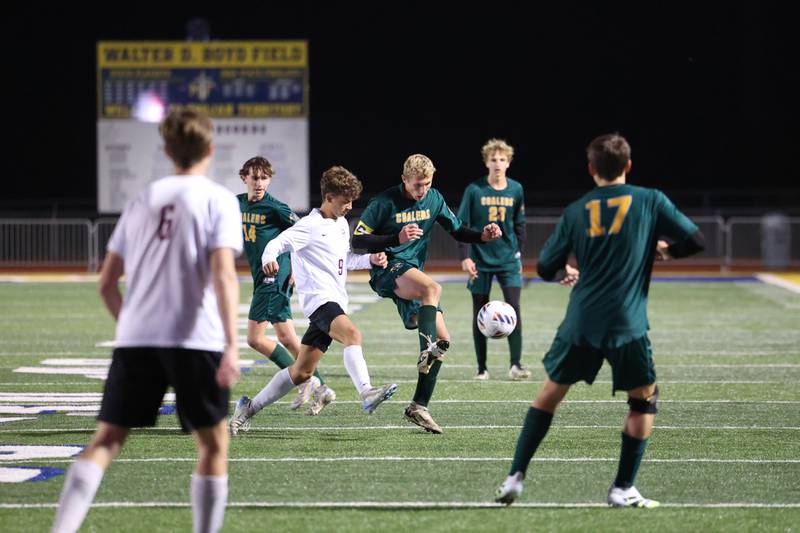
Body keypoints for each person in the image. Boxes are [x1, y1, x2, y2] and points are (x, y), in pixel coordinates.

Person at [52, 109, 243, 533]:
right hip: (197, 339)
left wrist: (131, 326)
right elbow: (224, 274)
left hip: (138, 339)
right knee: (213, 445)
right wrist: (232, 345)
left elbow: (106, 284)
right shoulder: (219, 199)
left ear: (167, 150)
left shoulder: (143, 198)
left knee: (107, 441)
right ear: (210, 149)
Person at [494, 133, 705, 507]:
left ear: (591, 169)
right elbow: (695, 240)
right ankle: (623, 487)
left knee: (549, 395)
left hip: (582, 319)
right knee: (644, 400)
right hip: (627, 322)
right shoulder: (650, 199)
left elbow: (545, 267)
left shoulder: (577, 210)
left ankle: (514, 477)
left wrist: (566, 269)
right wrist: (665, 253)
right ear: (628, 165)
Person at [229, 166, 396, 434]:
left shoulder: (341, 224)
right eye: (345, 202)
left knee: (301, 373)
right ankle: (366, 392)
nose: (349, 207)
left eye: (352, 202)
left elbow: (345, 261)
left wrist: (370, 259)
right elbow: (277, 244)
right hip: (319, 301)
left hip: (333, 301)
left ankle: (248, 408)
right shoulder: (308, 225)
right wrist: (268, 259)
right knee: (353, 334)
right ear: (329, 197)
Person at [351, 154, 502, 434]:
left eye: (427, 184)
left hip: (411, 273)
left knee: (443, 341)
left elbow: (457, 230)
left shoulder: (434, 198)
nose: (422, 191)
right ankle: (425, 350)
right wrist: (396, 239)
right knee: (432, 288)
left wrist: (482, 236)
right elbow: (357, 240)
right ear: (404, 179)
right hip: (387, 268)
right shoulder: (384, 202)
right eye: (417, 185)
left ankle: (419, 406)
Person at [237, 156, 335, 414]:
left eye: (264, 177)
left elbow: (303, 233)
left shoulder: (275, 208)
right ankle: (320, 387)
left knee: (255, 338)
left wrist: (294, 267)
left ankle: (307, 380)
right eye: (255, 177)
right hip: (262, 276)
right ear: (243, 177)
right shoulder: (235, 204)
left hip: (273, 276)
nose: (259, 183)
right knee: (286, 336)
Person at [457, 139, 530, 381]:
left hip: (508, 261)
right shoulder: (474, 190)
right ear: (486, 162)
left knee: (515, 309)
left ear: (508, 163)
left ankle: (516, 365)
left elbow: (520, 226)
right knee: (479, 312)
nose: (497, 163)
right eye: (493, 159)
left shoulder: (516, 189)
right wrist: (465, 258)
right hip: (480, 259)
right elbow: (462, 226)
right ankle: (482, 368)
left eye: (502, 159)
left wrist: (517, 253)